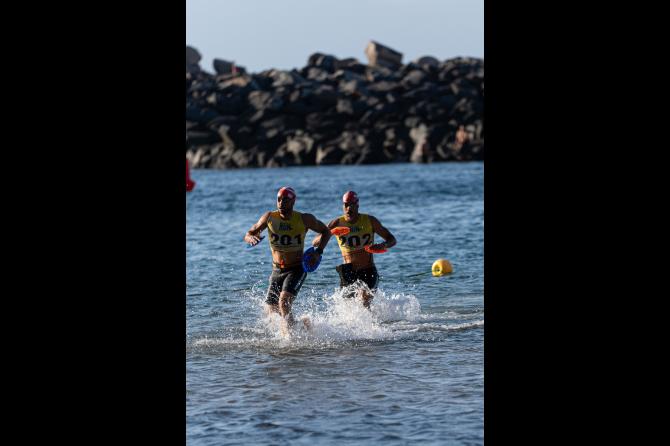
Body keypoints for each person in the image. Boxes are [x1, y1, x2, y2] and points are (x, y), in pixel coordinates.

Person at [244, 186, 332, 333]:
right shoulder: (269, 217)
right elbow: (249, 233)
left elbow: (326, 232)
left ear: (293, 201)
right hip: (277, 270)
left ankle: (290, 339)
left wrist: (319, 252)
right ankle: (303, 325)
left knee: (284, 302)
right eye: (279, 199)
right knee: (272, 311)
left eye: (285, 200)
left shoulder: (304, 219)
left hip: (296, 269)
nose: (281, 203)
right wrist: (250, 238)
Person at [314, 191, 396, 309]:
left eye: (352, 205)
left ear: (357, 205)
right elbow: (315, 242)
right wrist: (331, 232)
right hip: (348, 272)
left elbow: (392, 240)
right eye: (346, 205)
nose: (349, 208)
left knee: (365, 300)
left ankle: (373, 321)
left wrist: (384, 245)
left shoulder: (370, 221)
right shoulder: (337, 223)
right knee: (347, 308)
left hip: (368, 270)